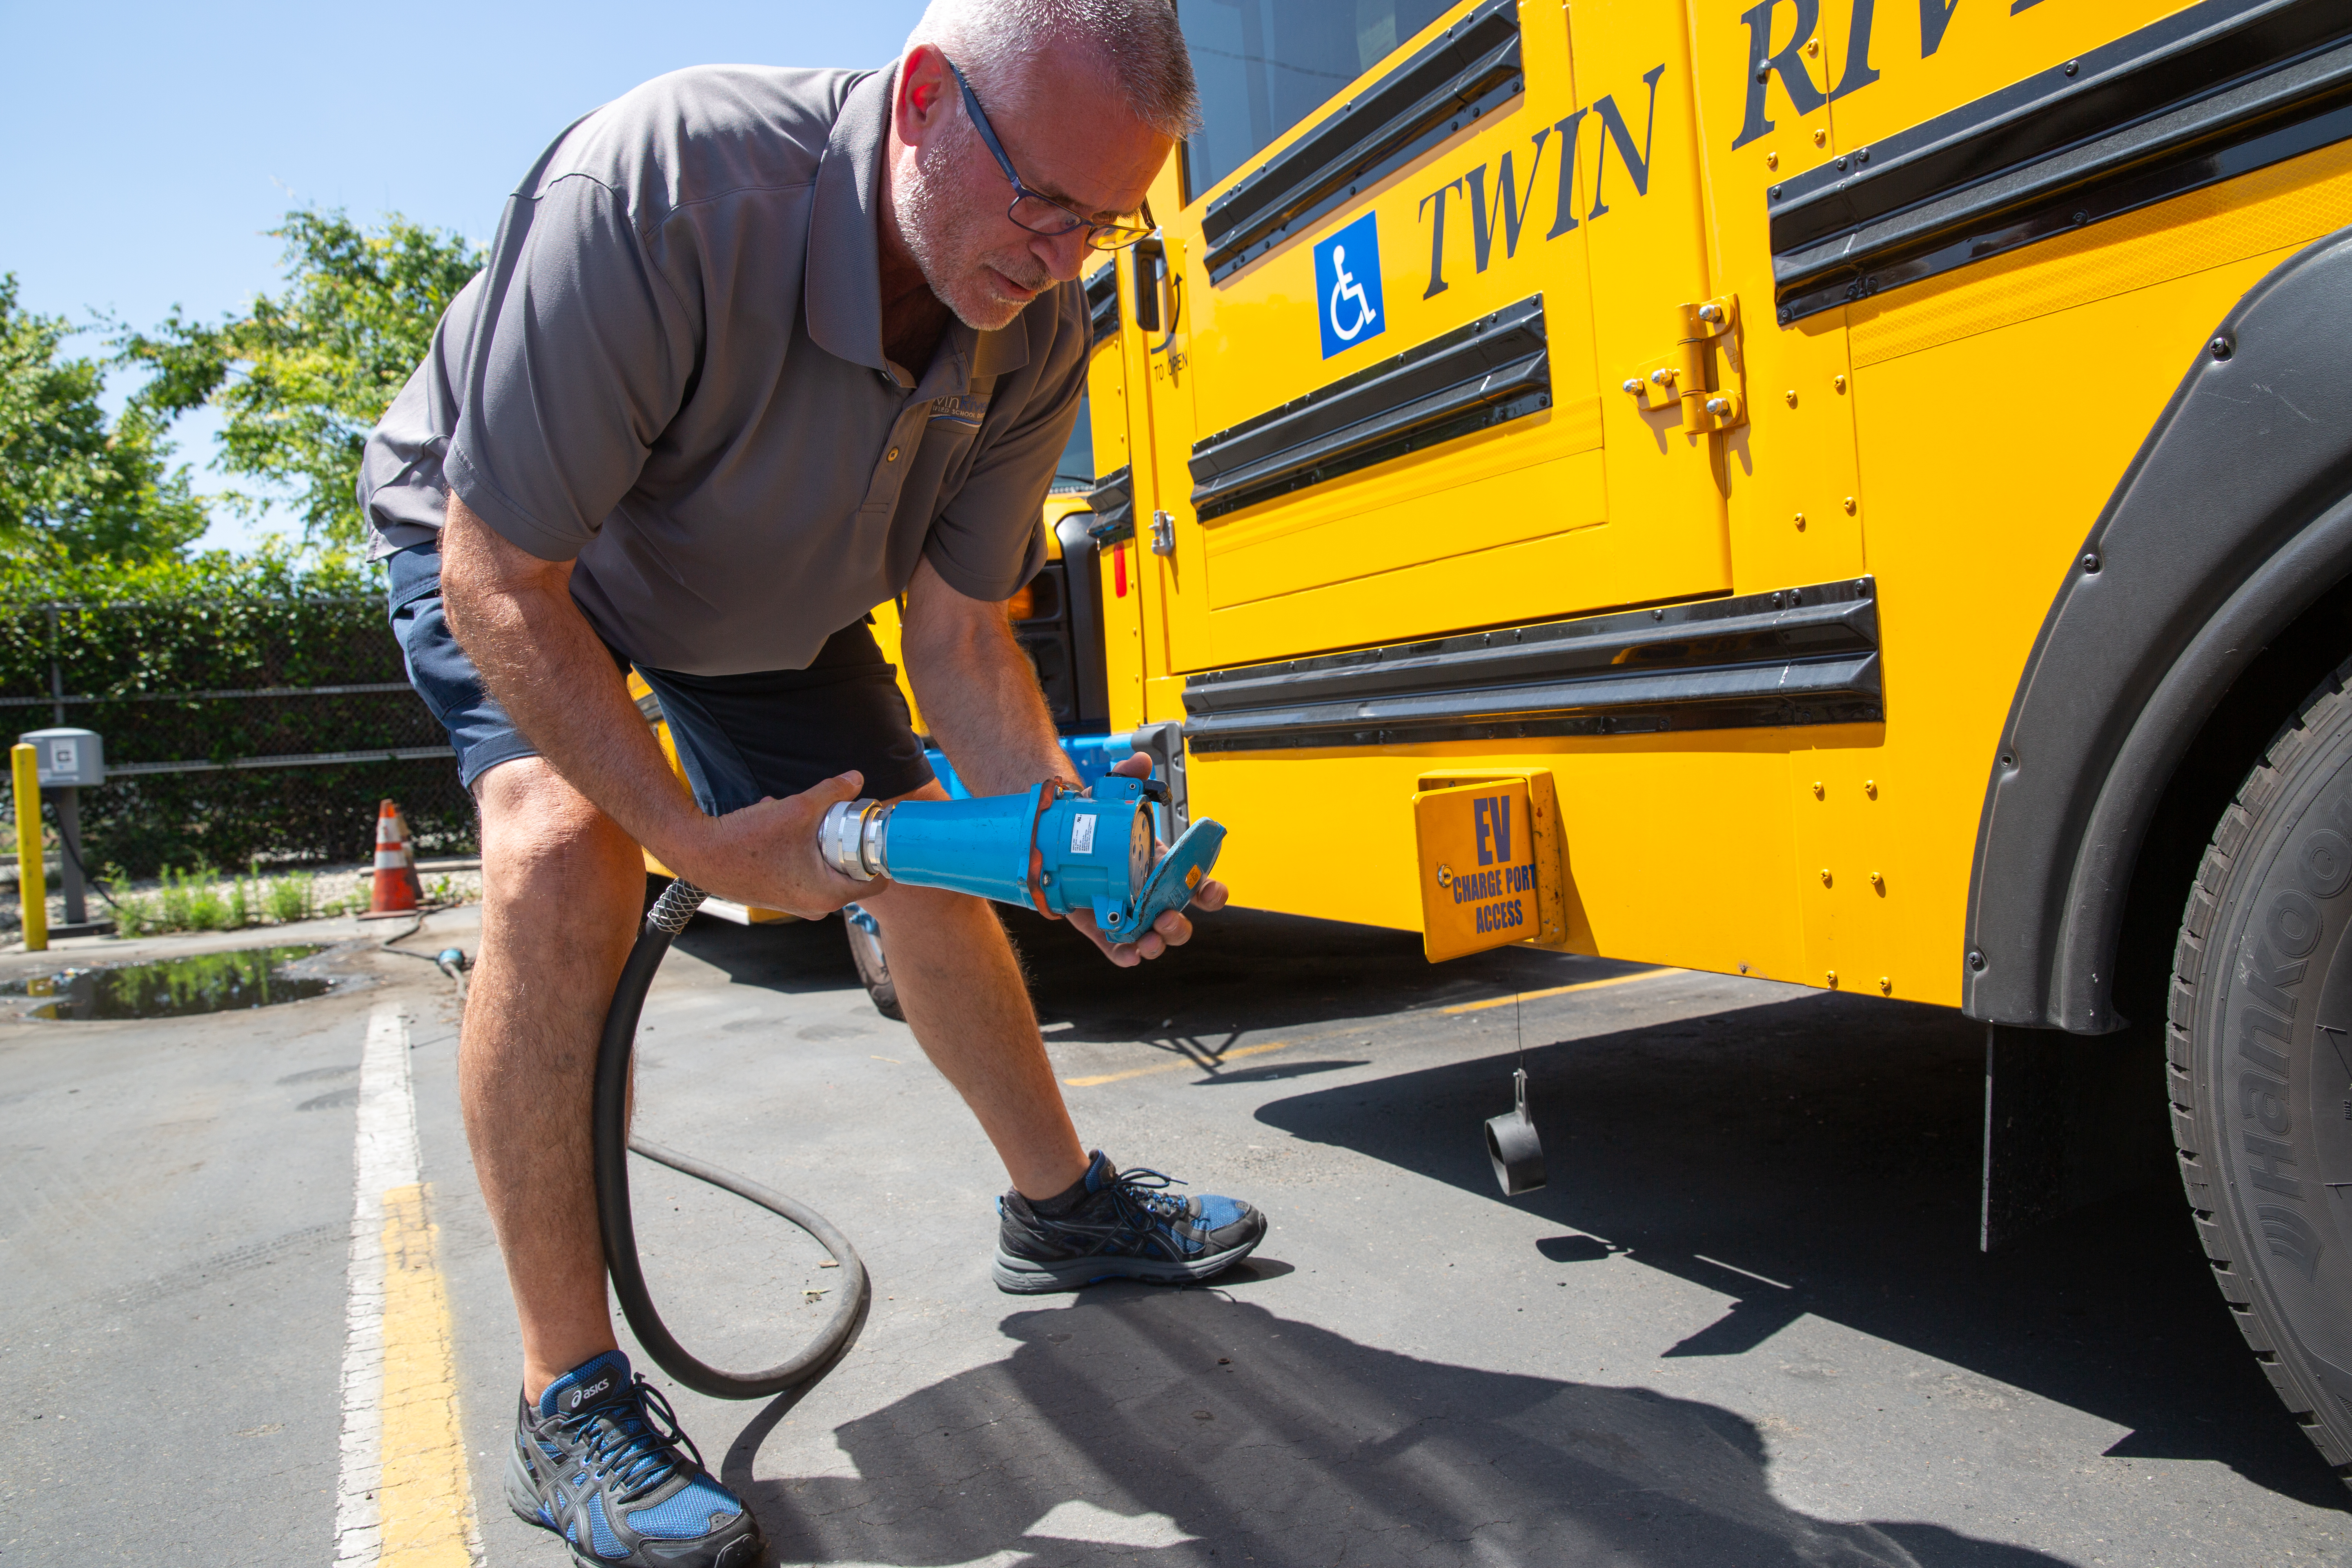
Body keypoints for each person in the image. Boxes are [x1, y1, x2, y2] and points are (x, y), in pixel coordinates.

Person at [358, 5, 1263, 1564]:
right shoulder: (665, 189)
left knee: (928, 846)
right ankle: (566, 1397)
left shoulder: (1039, 325)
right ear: (922, 102)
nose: (1060, 255)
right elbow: (503, 572)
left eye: (1103, 224)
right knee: (566, 846)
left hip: (759, 596)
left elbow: (966, 643)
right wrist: (695, 842)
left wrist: (1071, 847)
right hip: (522, 546)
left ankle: (1063, 1208)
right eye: (1042, 201)